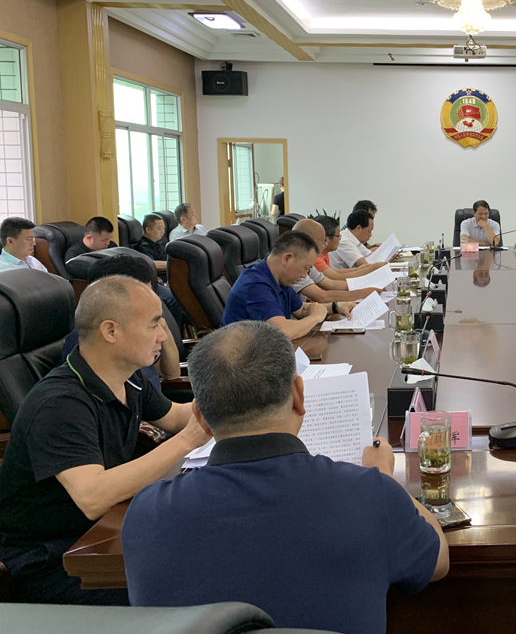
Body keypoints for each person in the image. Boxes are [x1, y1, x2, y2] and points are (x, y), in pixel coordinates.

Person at [122, 321, 448, 631]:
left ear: (200, 417)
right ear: (298, 395)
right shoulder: (371, 494)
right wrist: (384, 476)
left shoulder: (147, 513)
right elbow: (438, 561)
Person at [0, 276, 211, 604]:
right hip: (53, 562)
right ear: (111, 331)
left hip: (105, 531)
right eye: (153, 324)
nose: (163, 334)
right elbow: (92, 497)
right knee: (198, 578)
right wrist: (186, 441)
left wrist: (236, 400)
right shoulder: (60, 404)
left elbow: (175, 416)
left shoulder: (127, 377)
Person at [60, 255, 181, 388]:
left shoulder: (139, 335)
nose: (151, 300)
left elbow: (171, 373)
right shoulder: (88, 345)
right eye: (144, 296)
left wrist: (159, 325)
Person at [221, 230, 354, 339]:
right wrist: (315, 318)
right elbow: (282, 331)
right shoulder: (255, 285)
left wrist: (336, 306)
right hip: (241, 359)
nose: (305, 275)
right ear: (287, 258)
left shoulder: (280, 278)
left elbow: (301, 309)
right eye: (305, 268)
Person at [292, 219, 381, 304]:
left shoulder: (308, 265)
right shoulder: (297, 266)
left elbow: (332, 284)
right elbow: (323, 296)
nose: (324, 247)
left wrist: (364, 284)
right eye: (323, 243)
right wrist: (362, 292)